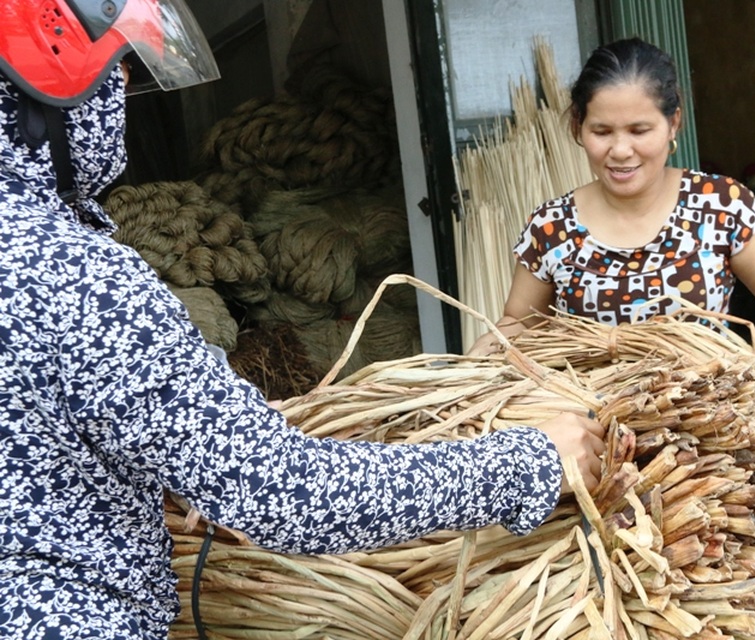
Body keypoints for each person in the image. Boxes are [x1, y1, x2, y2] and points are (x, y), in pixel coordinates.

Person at [0, 1, 605, 637]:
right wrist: (528, 462)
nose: (122, 106)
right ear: (51, 88)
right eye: (119, 78)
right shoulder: (70, 274)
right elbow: (282, 490)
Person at [470, 38, 755, 364]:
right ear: (578, 126)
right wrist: (494, 344)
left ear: (673, 123)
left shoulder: (721, 204)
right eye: (602, 132)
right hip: (593, 419)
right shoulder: (551, 227)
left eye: (639, 131)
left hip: (709, 414)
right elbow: (520, 321)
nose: (621, 151)